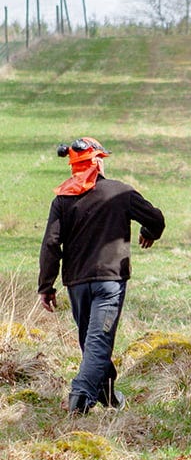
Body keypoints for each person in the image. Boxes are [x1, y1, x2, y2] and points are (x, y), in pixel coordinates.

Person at [37, 137, 165, 416]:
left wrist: (46, 286)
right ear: (97, 161)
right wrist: (149, 233)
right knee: (97, 341)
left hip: (77, 285)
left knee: (92, 340)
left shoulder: (62, 199)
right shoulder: (120, 192)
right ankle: (80, 398)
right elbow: (156, 218)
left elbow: (50, 244)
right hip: (109, 282)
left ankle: (108, 396)